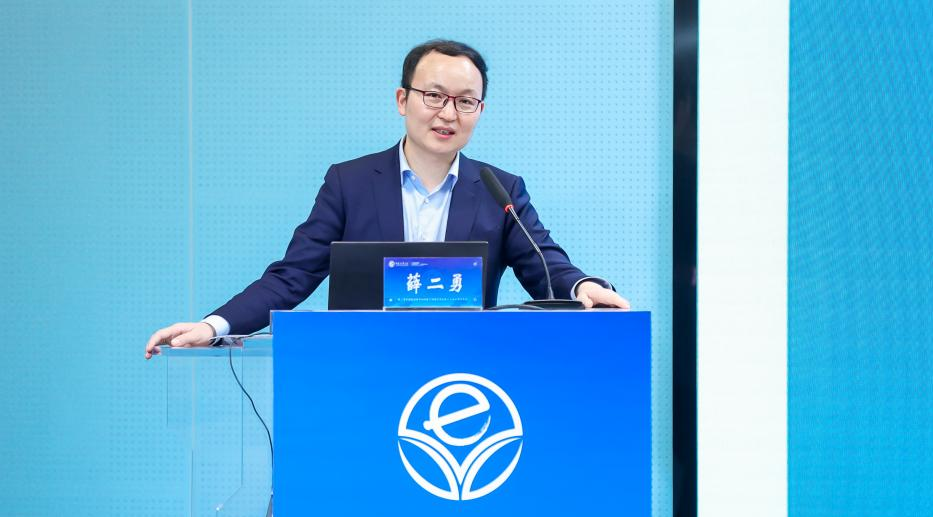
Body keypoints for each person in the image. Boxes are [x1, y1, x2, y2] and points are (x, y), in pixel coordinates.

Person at [145, 39, 629, 359]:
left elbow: (544, 264)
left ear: (479, 110)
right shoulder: (350, 183)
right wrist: (215, 326)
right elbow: (293, 275)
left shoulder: (499, 190)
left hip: (466, 377)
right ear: (403, 100)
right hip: (363, 374)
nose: (448, 113)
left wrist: (582, 286)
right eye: (434, 96)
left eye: (465, 101)